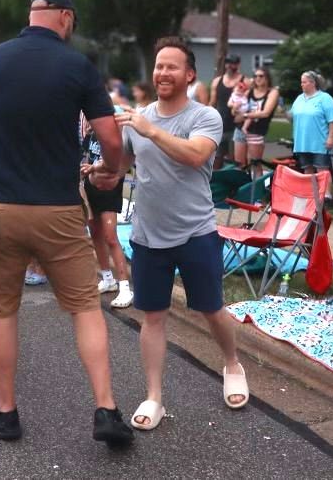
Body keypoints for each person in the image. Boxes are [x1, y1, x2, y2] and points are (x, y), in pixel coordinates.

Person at [0, 0, 134, 446]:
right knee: (83, 307)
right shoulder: (77, 66)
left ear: (32, 14)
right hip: (58, 210)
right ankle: (106, 409)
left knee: (0, 310)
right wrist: (110, 174)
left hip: (0, 209)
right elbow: (111, 140)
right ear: (64, 17)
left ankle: (6, 412)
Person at [113, 36, 249, 432]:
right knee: (152, 317)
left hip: (195, 232)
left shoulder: (205, 116)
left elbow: (195, 156)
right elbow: (119, 167)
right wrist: (101, 169)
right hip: (147, 236)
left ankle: (232, 363)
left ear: (189, 74)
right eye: (158, 66)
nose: (162, 73)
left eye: (171, 66)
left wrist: (150, 130)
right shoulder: (136, 117)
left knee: (211, 308)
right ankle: (154, 397)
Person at [81, 116, 133, 309]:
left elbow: (115, 162)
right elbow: (86, 156)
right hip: (90, 186)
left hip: (109, 189)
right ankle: (107, 277)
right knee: (94, 233)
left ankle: (125, 286)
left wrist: (92, 167)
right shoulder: (91, 134)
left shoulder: (114, 134)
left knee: (111, 237)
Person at [287, 71, 333, 173]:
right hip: (302, 143)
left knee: (322, 172)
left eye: (304, 82)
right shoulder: (299, 99)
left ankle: (325, 190)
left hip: (320, 143)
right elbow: (292, 116)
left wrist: (331, 137)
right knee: (307, 170)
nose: (302, 84)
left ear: (313, 83)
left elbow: (332, 120)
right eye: (301, 82)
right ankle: (310, 189)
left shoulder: (325, 98)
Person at [239, 67, 280, 175]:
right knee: (240, 164)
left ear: (267, 78)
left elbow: (265, 113)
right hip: (240, 129)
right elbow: (239, 106)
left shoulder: (272, 92)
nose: (258, 78)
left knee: (255, 163)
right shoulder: (249, 92)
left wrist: (245, 115)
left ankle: (257, 190)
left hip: (257, 131)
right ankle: (245, 189)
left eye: (261, 76)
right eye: (255, 76)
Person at [209, 53, 244, 169]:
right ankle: (215, 184)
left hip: (237, 127)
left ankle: (236, 185)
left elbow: (250, 103)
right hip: (220, 126)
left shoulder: (245, 82)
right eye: (228, 63)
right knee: (216, 158)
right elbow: (212, 103)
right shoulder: (217, 81)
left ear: (238, 65)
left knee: (236, 161)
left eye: (233, 63)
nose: (229, 66)